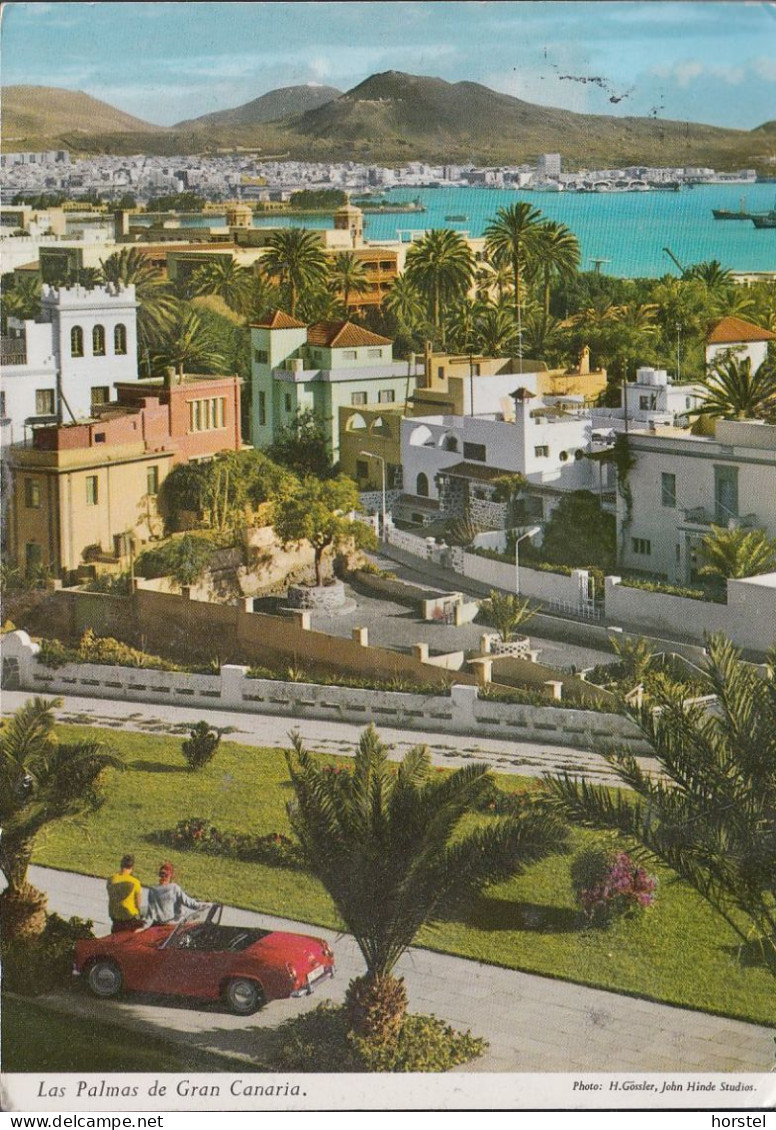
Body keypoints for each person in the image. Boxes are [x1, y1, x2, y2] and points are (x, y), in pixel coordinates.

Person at [107, 854, 144, 933]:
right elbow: (138, 904)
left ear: (121, 864)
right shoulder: (135, 882)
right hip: (129, 918)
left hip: (115, 917)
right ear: (132, 867)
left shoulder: (111, 879)